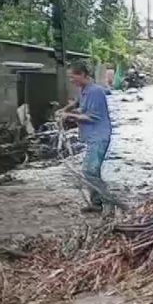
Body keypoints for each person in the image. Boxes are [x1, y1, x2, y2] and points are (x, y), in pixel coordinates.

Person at [58, 62, 113, 213]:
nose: (71, 80)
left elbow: (91, 117)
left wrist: (68, 115)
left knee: (89, 171)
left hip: (99, 136)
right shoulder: (83, 89)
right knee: (92, 171)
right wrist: (65, 110)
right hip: (92, 136)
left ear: (82, 74)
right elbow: (78, 103)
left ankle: (109, 203)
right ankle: (96, 203)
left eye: (72, 77)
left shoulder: (95, 92)